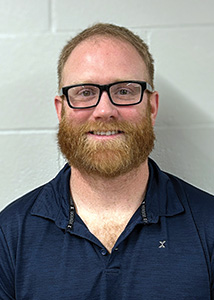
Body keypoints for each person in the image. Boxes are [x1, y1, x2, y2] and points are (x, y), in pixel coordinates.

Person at [0, 23, 214, 300]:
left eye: (124, 91)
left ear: (151, 107)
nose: (104, 110)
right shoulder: (9, 234)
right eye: (85, 92)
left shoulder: (208, 226)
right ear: (61, 110)